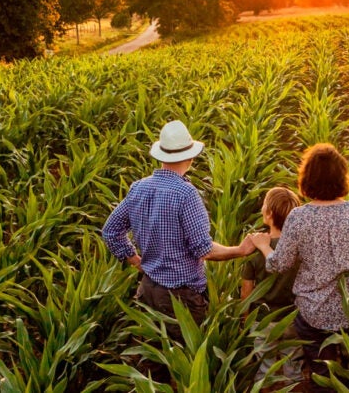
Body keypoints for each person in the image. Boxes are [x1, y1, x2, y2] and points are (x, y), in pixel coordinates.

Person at [250, 143, 349, 393]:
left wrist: (264, 246)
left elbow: (279, 264)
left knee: (323, 376)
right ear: (342, 177)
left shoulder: (298, 218)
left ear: (306, 179)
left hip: (313, 313)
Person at [102, 120, 255, 339]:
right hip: (180, 298)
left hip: (147, 290)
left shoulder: (139, 187)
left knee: (151, 362)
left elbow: (110, 231)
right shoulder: (186, 194)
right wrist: (240, 250)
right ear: (190, 158)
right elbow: (205, 250)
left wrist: (136, 261)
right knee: (182, 363)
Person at [241, 186, 303, 382]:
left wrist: (246, 320)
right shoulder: (299, 247)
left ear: (268, 214)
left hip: (264, 320)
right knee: (293, 367)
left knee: (264, 370)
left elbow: (246, 293)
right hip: (294, 318)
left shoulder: (255, 249)